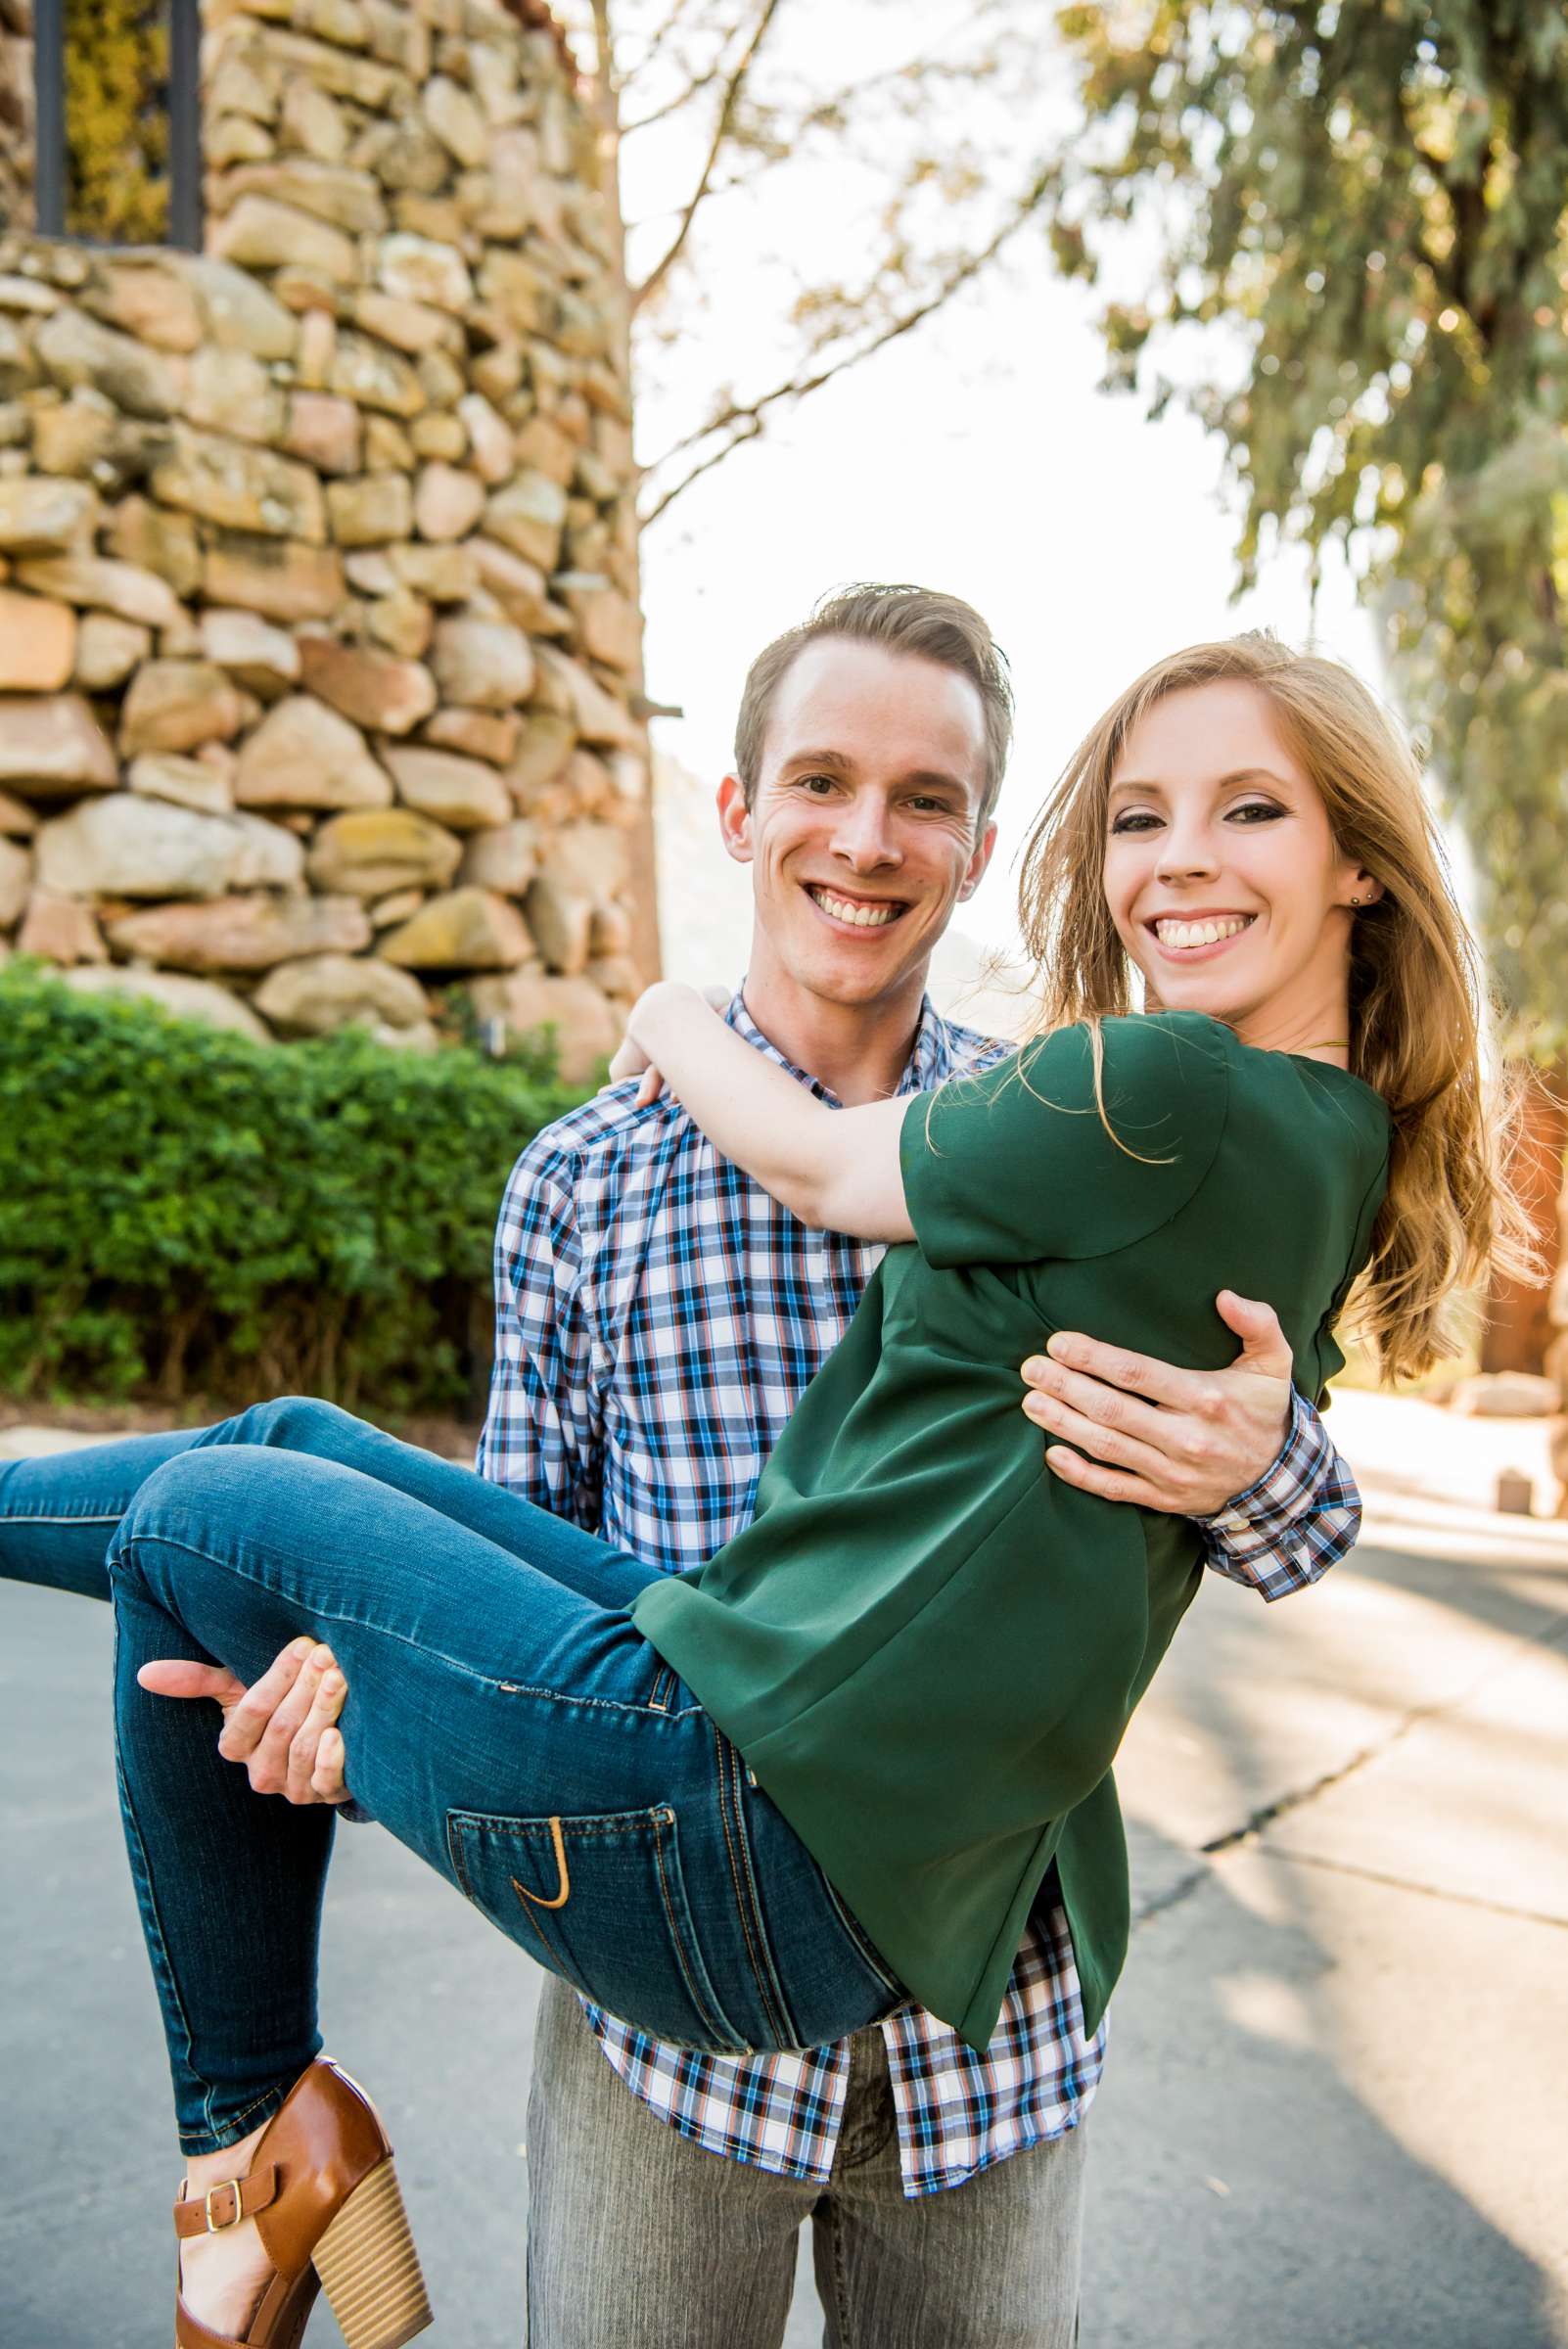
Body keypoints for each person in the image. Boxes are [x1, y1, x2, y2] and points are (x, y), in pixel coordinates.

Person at [0, 622, 1518, 2349]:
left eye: (923, 800)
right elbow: (495, 1557)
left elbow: (1290, 1502)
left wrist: (1258, 1461)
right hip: (669, 1988)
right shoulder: (586, 1175)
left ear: (976, 839)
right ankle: (261, 2142)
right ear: (737, 809)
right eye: (822, 783)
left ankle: (239, 2149)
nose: (866, 839)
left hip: (973, 2029)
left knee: (207, 1511)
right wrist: (342, 1710)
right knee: (268, 1458)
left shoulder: (1063, 1095)